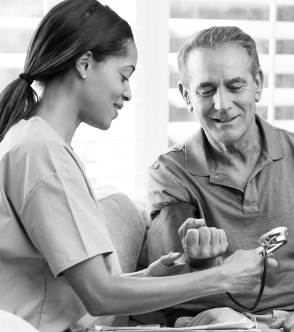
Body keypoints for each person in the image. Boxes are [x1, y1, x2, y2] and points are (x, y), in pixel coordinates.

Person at [0, 3, 274, 332]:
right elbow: (100, 296)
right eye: (124, 75)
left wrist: (148, 277)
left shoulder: (35, 141)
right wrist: (224, 276)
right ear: (85, 63)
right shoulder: (41, 153)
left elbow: (88, 284)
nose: (128, 93)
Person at [146, 25, 294, 330]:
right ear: (187, 96)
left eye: (235, 86)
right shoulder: (170, 173)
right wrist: (201, 261)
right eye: (206, 90)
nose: (222, 104)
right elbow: (166, 282)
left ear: (258, 85)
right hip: (217, 318)